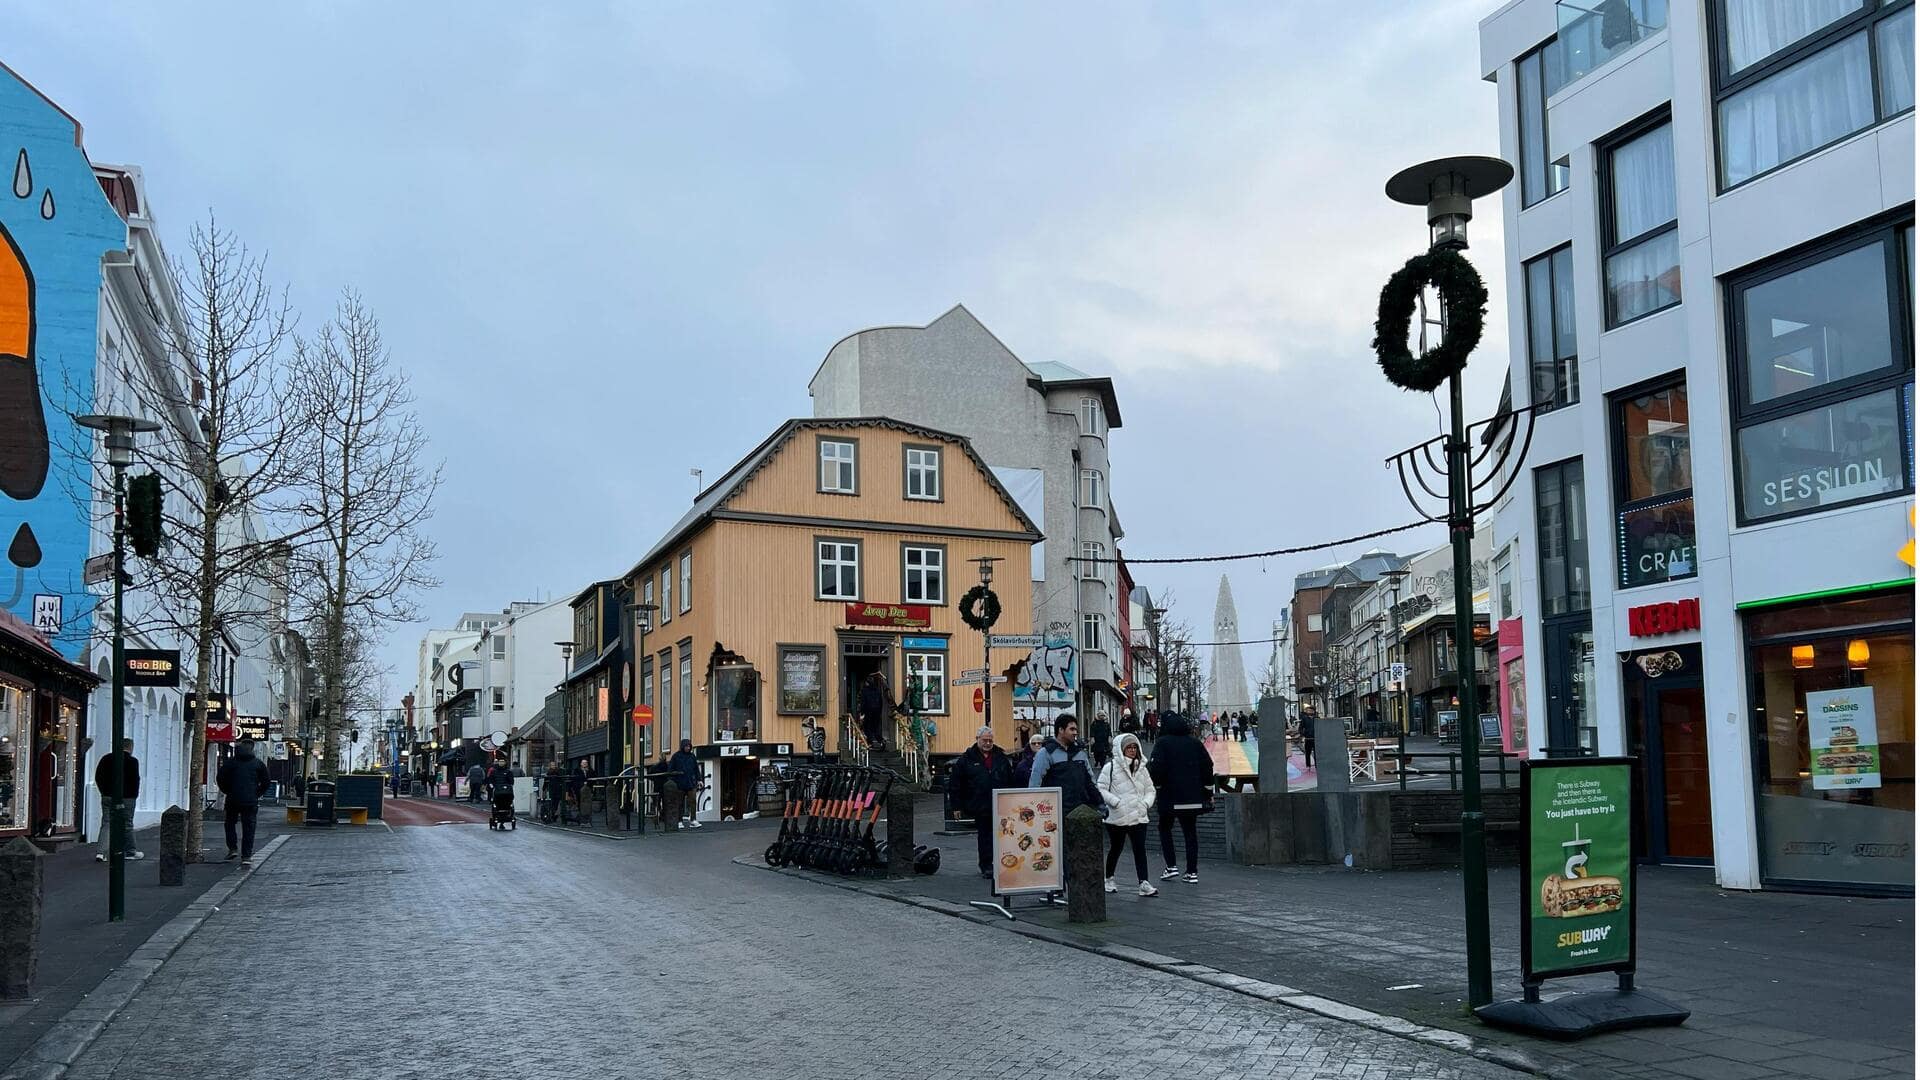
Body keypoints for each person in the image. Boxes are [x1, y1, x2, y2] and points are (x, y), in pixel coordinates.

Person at [1148, 713, 1214, 884]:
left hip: (1170, 796)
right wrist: (1208, 790)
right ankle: (1192, 872)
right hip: (1192, 797)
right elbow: (1208, 765)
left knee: (1164, 827)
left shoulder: (1163, 743)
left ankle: (1171, 866)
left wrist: (1157, 785)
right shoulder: (1194, 742)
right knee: (1190, 832)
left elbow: (1156, 768)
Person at [1097, 732, 1159, 897]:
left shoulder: (1142, 768)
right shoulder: (1110, 767)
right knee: (1116, 848)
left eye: (1134, 747)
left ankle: (1143, 882)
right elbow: (1101, 788)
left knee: (1140, 849)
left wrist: (1145, 803)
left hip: (1138, 815)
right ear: (1120, 749)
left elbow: (1150, 789)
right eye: (1128, 747)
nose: (1132, 750)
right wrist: (1115, 802)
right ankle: (1109, 878)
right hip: (1118, 816)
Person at [948, 725, 1014, 878]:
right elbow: (955, 784)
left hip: (1000, 803)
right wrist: (956, 806)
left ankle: (1004, 862)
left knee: (1004, 835)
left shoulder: (1000, 757)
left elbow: (1010, 779)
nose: (988, 743)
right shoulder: (966, 759)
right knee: (984, 836)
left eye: (990, 740)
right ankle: (986, 865)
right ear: (977, 739)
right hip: (980, 804)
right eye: (985, 740)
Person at [1028, 714, 1100, 815]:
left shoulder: (1080, 753)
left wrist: (1099, 801)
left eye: (1076, 729)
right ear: (1061, 730)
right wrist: (1036, 809)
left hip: (1080, 811)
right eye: (1072, 729)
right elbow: (1035, 783)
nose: (1075, 733)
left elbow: (1090, 780)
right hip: (1055, 812)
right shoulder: (1046, 753)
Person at [216, 738, 270, 864]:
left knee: (230, 823)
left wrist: (228, 790)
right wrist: (257, 793)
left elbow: (220, 778)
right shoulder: (258, 763)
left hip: (232, 799)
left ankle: (233, 848)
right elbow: (266, 782)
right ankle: (246, 856)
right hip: (250, 800)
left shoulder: (231, 763)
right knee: (249, 827)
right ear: (252, 749)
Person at [92, 738, 143, 862]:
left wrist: (104, 792)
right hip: (127, 797)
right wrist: (133, 795)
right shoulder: (133, 761)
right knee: (127, 824)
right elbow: (135, 780)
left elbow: (98, 776)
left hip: (108, 796)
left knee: (107, 823)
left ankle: (101, 853)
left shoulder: (106, 759)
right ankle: (130, 852)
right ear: (130, 748)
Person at [669, 739, 703, 829]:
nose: (688, 748)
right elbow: (671, 769)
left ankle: (693, 819)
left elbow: (696, 769)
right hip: (680, 783)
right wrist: (674, 780)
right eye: (686, 746)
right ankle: (679, 820)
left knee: (693, 801)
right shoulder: (676, 756)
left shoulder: (692, 756)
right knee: (679, 803)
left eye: (689, 746)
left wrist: (699, 779)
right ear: (682, 746)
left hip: (690, 782)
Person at [857, 671, 890, 752]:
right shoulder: (877, 690)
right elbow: (881, 702)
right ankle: (881, 741)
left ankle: (870, 743)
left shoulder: (865, 691)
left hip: (868, 712)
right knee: (876, 728)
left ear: (867, 683)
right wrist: (879, 711)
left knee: (867, 727)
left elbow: (863, 702)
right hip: (877, 712)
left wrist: (862, 713)